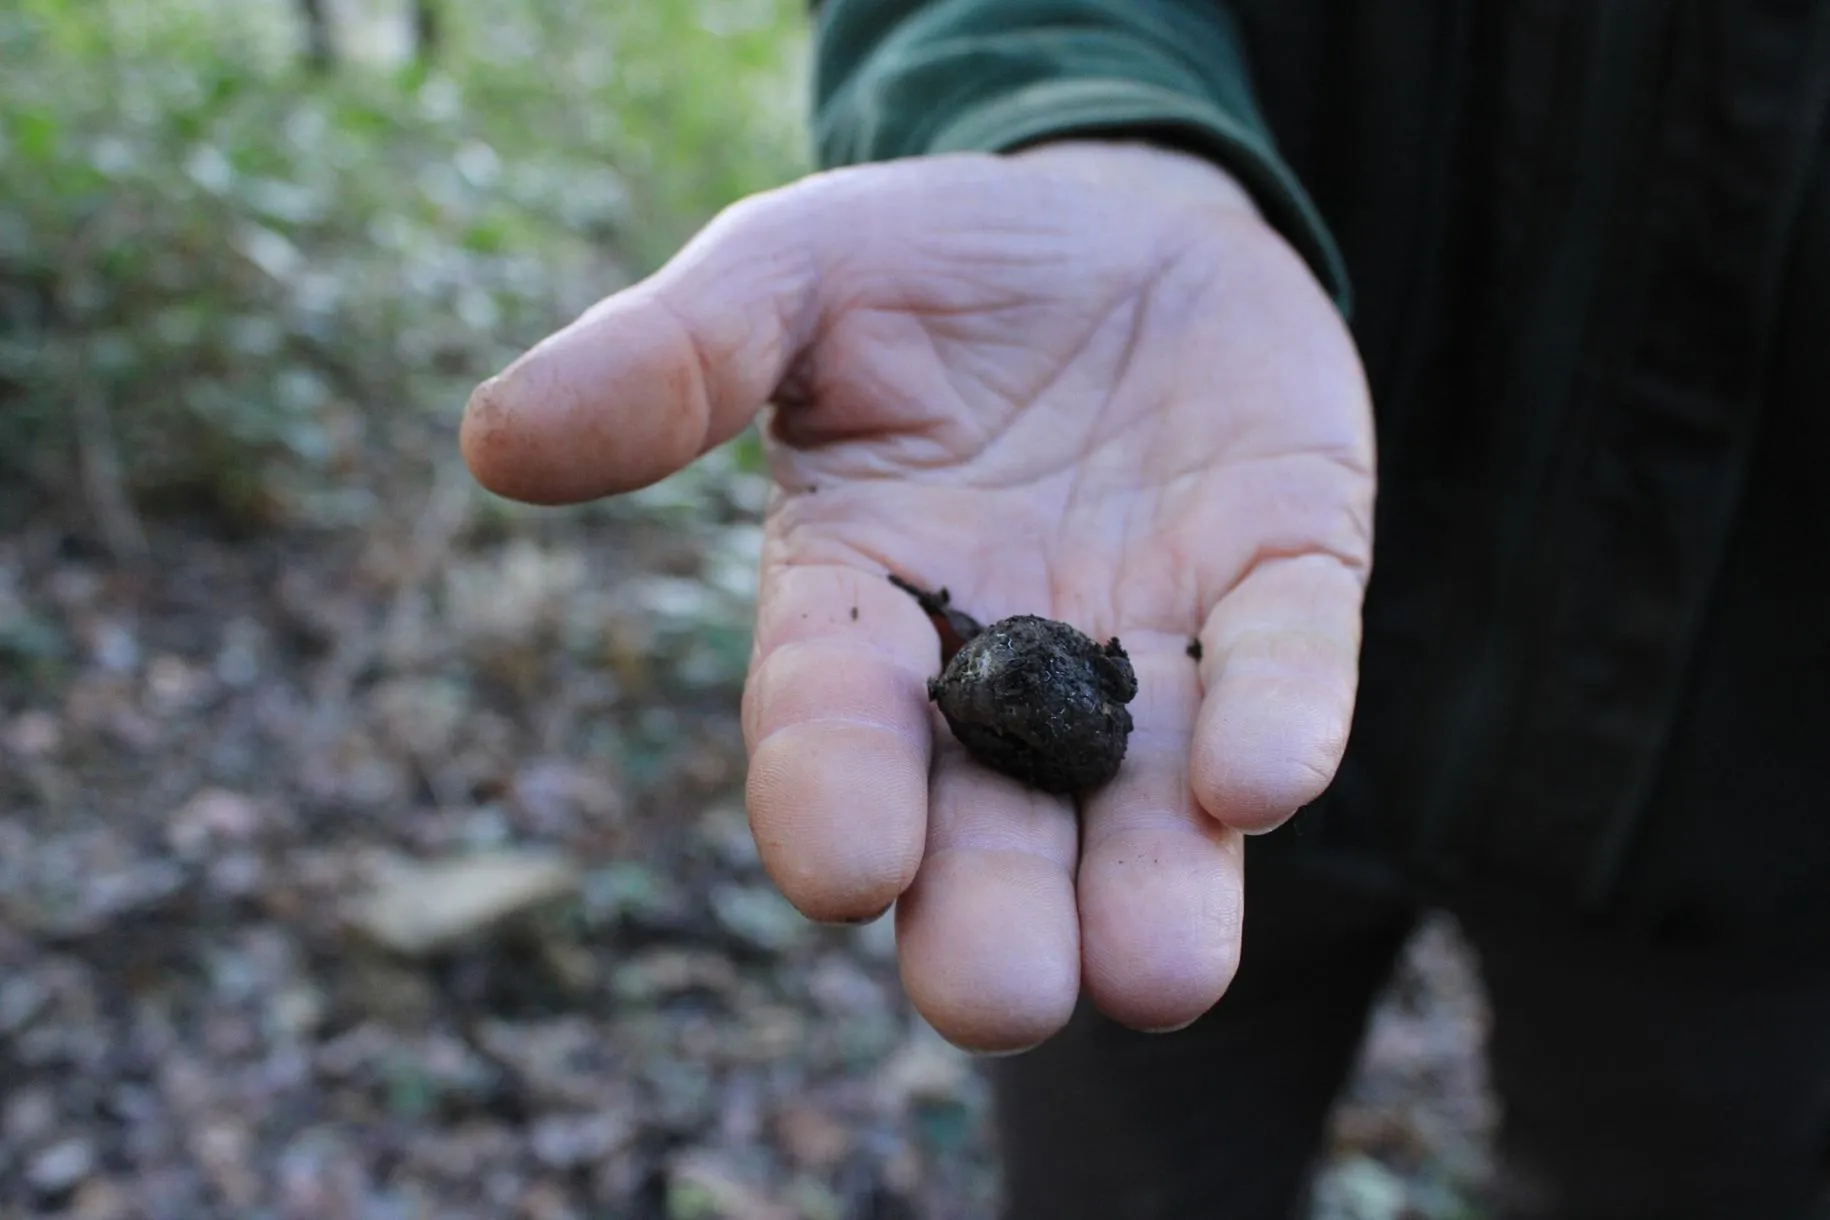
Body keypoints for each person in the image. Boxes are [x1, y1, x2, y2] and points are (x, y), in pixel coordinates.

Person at [459, 3, 1830, 1216]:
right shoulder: (1032, 688)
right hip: (1225, 717)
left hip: (1751, 773)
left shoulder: (1034, 687)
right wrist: (1064, 112)